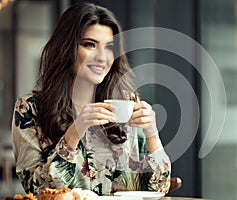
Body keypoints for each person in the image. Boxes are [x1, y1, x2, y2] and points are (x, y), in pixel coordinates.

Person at [11, 2, 171, 196]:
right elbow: (36, 191)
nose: (102, 58)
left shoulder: (128, 103)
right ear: (66, 48)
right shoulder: (29, 109)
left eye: (110, 47)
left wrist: (152, 135)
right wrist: (75, 132)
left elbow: (159, 188)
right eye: (89, 44)